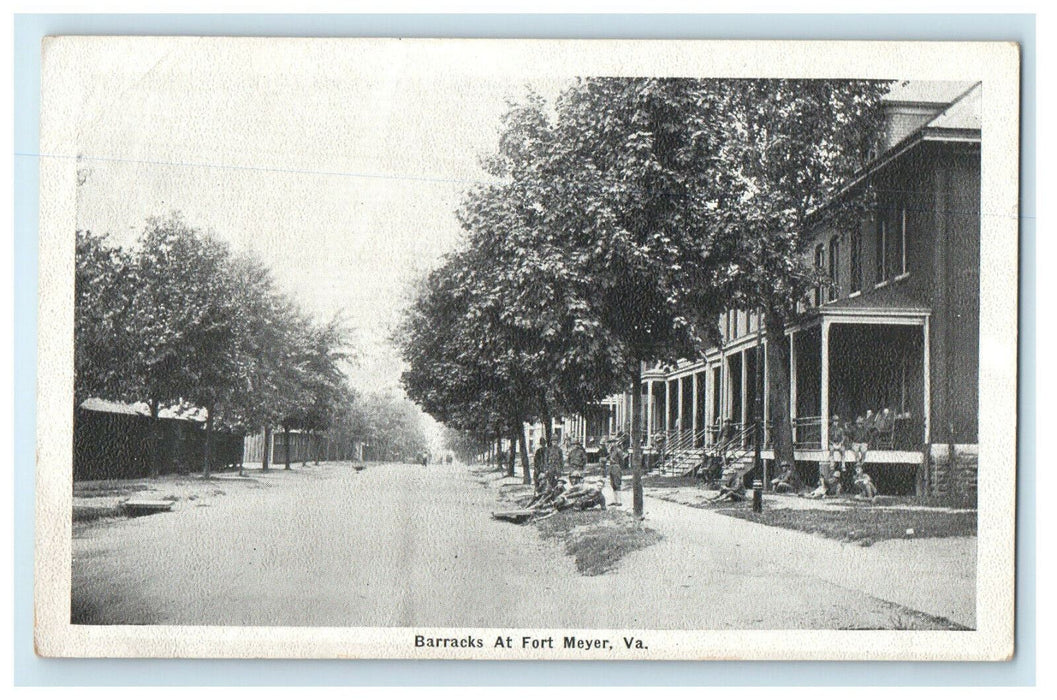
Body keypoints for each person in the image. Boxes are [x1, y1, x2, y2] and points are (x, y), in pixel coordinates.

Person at [604, 439, 626, 506]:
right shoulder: (611, 451)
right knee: (613, 484)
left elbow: (622, 460)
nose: (611, 444)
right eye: (610, 442)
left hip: (616, 467)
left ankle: (619, 501)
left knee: (617, 484)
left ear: (615, 443)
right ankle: (614, 500)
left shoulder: (618, 450)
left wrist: (620, 468)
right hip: (611, 467)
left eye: (612, 442)